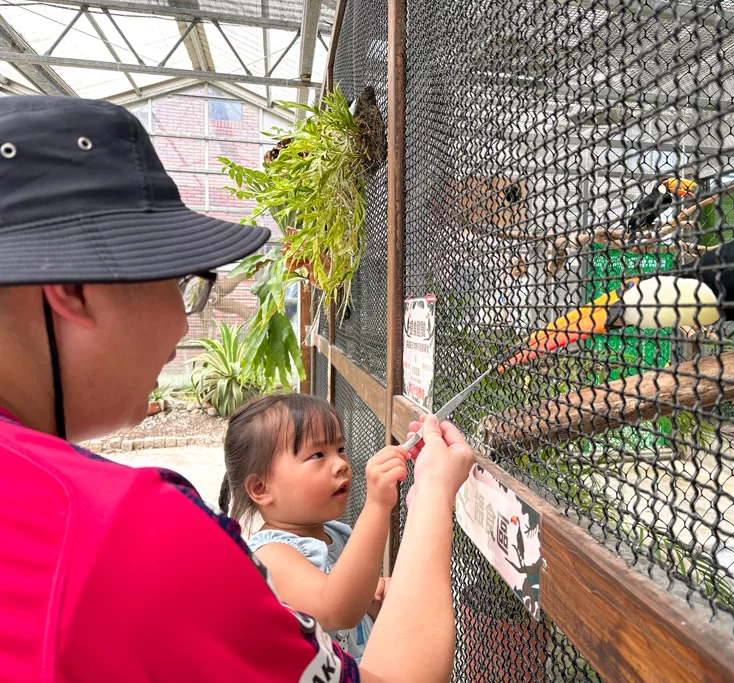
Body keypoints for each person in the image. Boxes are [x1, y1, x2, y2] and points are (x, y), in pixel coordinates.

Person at [0, 95, 475, 682]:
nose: (182, 323)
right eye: (179, 282)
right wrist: (432, 497)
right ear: (71, 288)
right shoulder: (120, 533)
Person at [219, 394, 405, 662]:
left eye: (340, 449)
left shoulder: (336, 534)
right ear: (261, 489)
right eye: (318, 454)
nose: (341, 464)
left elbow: (351, 611)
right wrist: (377, 505)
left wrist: (371, 599)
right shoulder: (269, 556)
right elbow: (337, 609)